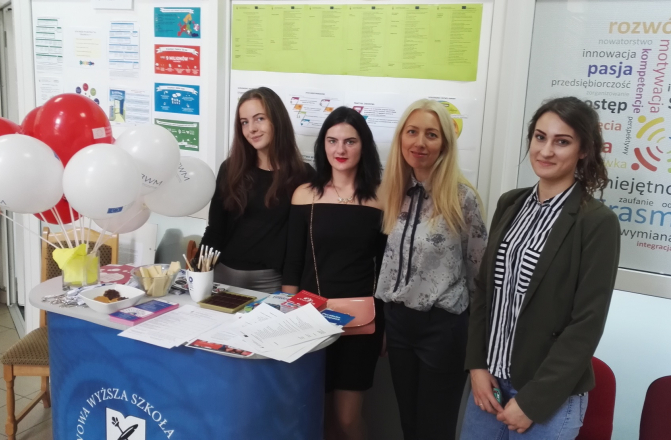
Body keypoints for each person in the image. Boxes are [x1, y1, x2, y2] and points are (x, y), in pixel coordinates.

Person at [461, 97, 621, 439]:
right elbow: (485, 291)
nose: (546, 150)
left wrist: (533, 401)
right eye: (540, 137)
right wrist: (476, 365)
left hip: (547, 396)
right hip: (489, 384)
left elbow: (587, 323)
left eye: (561, 142)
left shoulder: (597, 222)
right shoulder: (510, 202)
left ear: (583, 150)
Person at [375, 99, 487, 440]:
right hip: (398, 323)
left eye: (431, 134)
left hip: (443, 327)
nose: (420, 143)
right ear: (401, 138)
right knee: (408, 423)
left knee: (435, 429)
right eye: (412, 132)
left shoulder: (462, 199)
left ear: (445, 144)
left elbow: (479, 273)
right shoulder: (392, 192)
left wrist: (478, 343)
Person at [282, 106, 385, 440]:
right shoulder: (305, 194)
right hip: (311, 317)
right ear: (322, 145)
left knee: (347, 418)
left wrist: (385, 326)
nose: (340, 149)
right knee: (317, 414)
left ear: (363, 146)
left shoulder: (381, 199)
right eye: (332, 140)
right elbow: (292, 264)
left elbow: (386, 270)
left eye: (350, 141)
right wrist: (286, 316)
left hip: (362, 322)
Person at [199, 87, 312, 293]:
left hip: (271, 283)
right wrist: (197, 274)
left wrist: (290, 292)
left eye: (259, 119)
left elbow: (300, 247)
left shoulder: (303, 176)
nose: (251, 129)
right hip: (221, 277)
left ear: (277, 120)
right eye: (244, 122)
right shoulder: (230, 168)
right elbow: (215, 230)